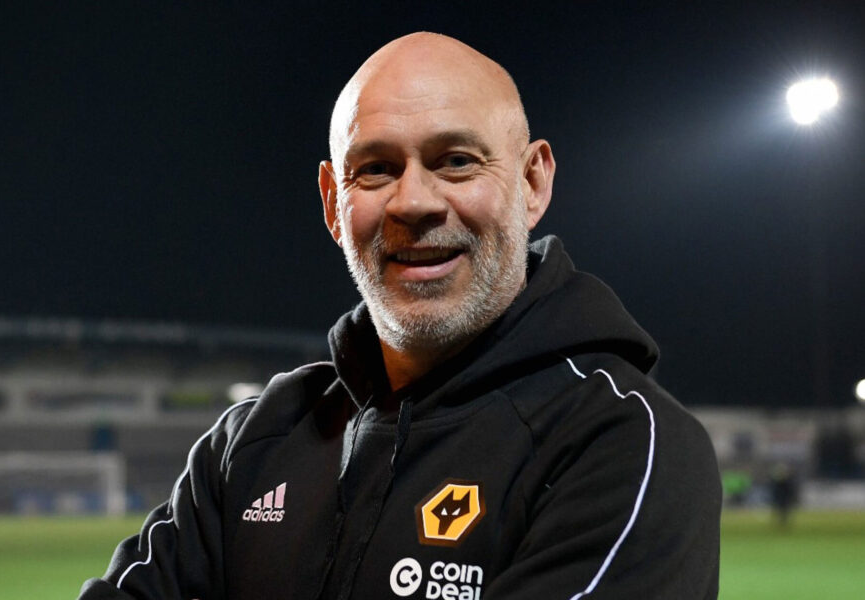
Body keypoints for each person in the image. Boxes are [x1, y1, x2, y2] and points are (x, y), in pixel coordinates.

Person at [79, 32, 721, 600]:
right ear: (332, 203)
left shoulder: (623, 442)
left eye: (456, 161)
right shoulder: (252, 443)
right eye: (377, 169)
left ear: (532, 183)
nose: (413, 202)